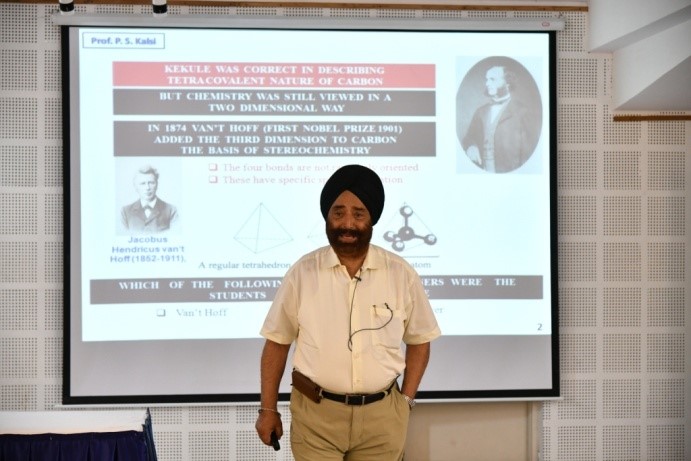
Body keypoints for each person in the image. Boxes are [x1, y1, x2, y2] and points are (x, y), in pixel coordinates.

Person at [255, 164, 441, 460]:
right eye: (338, 213)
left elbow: (420, 339)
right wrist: (268, 409)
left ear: (372, 219)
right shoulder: (302, 273)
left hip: (382, 422)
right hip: (315, 418)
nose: (348, 224)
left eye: (359, 214)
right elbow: (277, 342)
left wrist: (405, 402)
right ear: (327, 217)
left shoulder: (400, 274)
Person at [461, 64, 538, 173]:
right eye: (487, 79)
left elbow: (529, 154)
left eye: (492, 79)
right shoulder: (480, 112)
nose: (487, 83)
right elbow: (469, 138)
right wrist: (471, 146)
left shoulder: (522, 112)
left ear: (507, 83)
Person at [120, 165, 178, 233]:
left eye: (151, 183)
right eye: (143, 183)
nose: (147, 188)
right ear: (136, 187)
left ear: (157, 185)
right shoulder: (125, 212)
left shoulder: (171, 210)